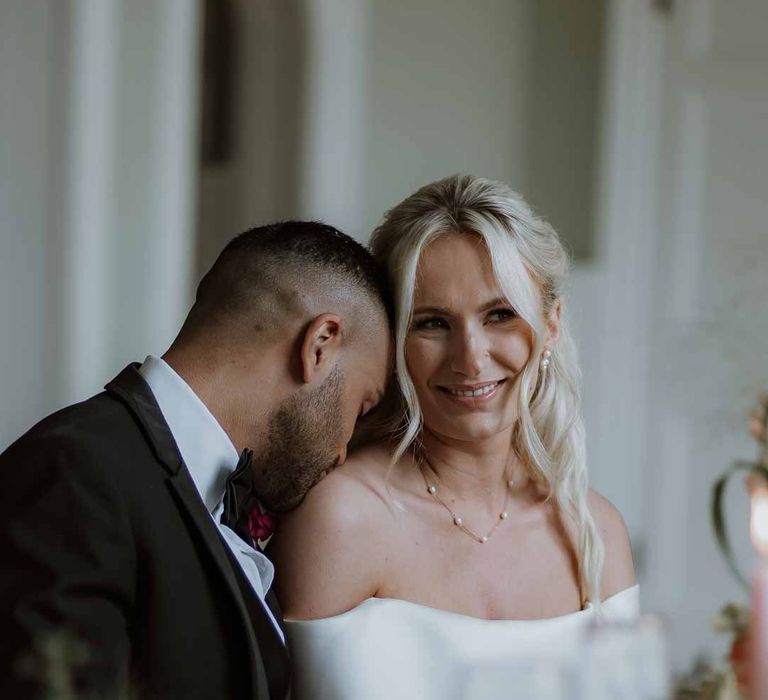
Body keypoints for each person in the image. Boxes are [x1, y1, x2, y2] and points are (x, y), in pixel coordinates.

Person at [271, 176, 639, 699]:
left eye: (500, 315)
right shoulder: (342, 520)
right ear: (392, 337)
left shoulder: (594, 531)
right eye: (433, 323)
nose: (471, 358)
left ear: (551, 324)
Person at [0, 221, 392, 699]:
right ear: (320, 345)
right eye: (363, 405)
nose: (343, 451)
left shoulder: (212, 496)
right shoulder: (72, 471)